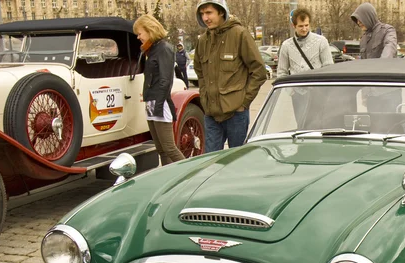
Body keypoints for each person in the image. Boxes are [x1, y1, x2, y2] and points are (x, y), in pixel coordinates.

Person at [193, 0, 266, 153]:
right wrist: (205, 100)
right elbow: (200, 73)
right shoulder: (202, 41)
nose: (205, 18)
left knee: (237, 162)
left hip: (236, 114)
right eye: (202, 14)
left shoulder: (240, 34)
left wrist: (244, 103)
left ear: (221, 12)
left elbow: (259, 71)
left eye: (209, 13)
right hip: (211, 114)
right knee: (211, 162)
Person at [134, 14, 185, 166]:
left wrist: (158, 105)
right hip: (152, 101)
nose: (138, 37)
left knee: (169, 148)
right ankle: (169, 178)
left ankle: (192, 175)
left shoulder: (163, 49)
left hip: (160, 103)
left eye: (139, 33)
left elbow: (165, 79)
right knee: (161, 149)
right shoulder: (152, 50)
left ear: (150, 30)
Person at [276, 7, 333, 78]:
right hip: (295, 88)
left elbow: (329, 69)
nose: (304, 29)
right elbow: (281, 72)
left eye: (306, 25)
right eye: (300, 26)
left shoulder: (321, 41)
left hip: (316, 87)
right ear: (294, 26)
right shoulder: (286, 45)